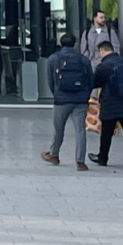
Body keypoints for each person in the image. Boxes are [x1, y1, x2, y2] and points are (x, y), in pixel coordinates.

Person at [41, 33, 93, 171]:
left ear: (60, 43)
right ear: (75, 44)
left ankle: (54, 155)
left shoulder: (54, 58)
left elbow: (51, 81)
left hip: (61, 100)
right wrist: (85, 96)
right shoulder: (83, 59)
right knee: (80, 130)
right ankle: (80, 162)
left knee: (58, 129)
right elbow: (90, 80)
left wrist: (57, 94)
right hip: (80, 100)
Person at [90, 41, 123, 169]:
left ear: (102, 51)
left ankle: (103, 158)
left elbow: (95, 82)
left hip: (110, 104)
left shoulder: (104, 66)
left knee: (106, 132)